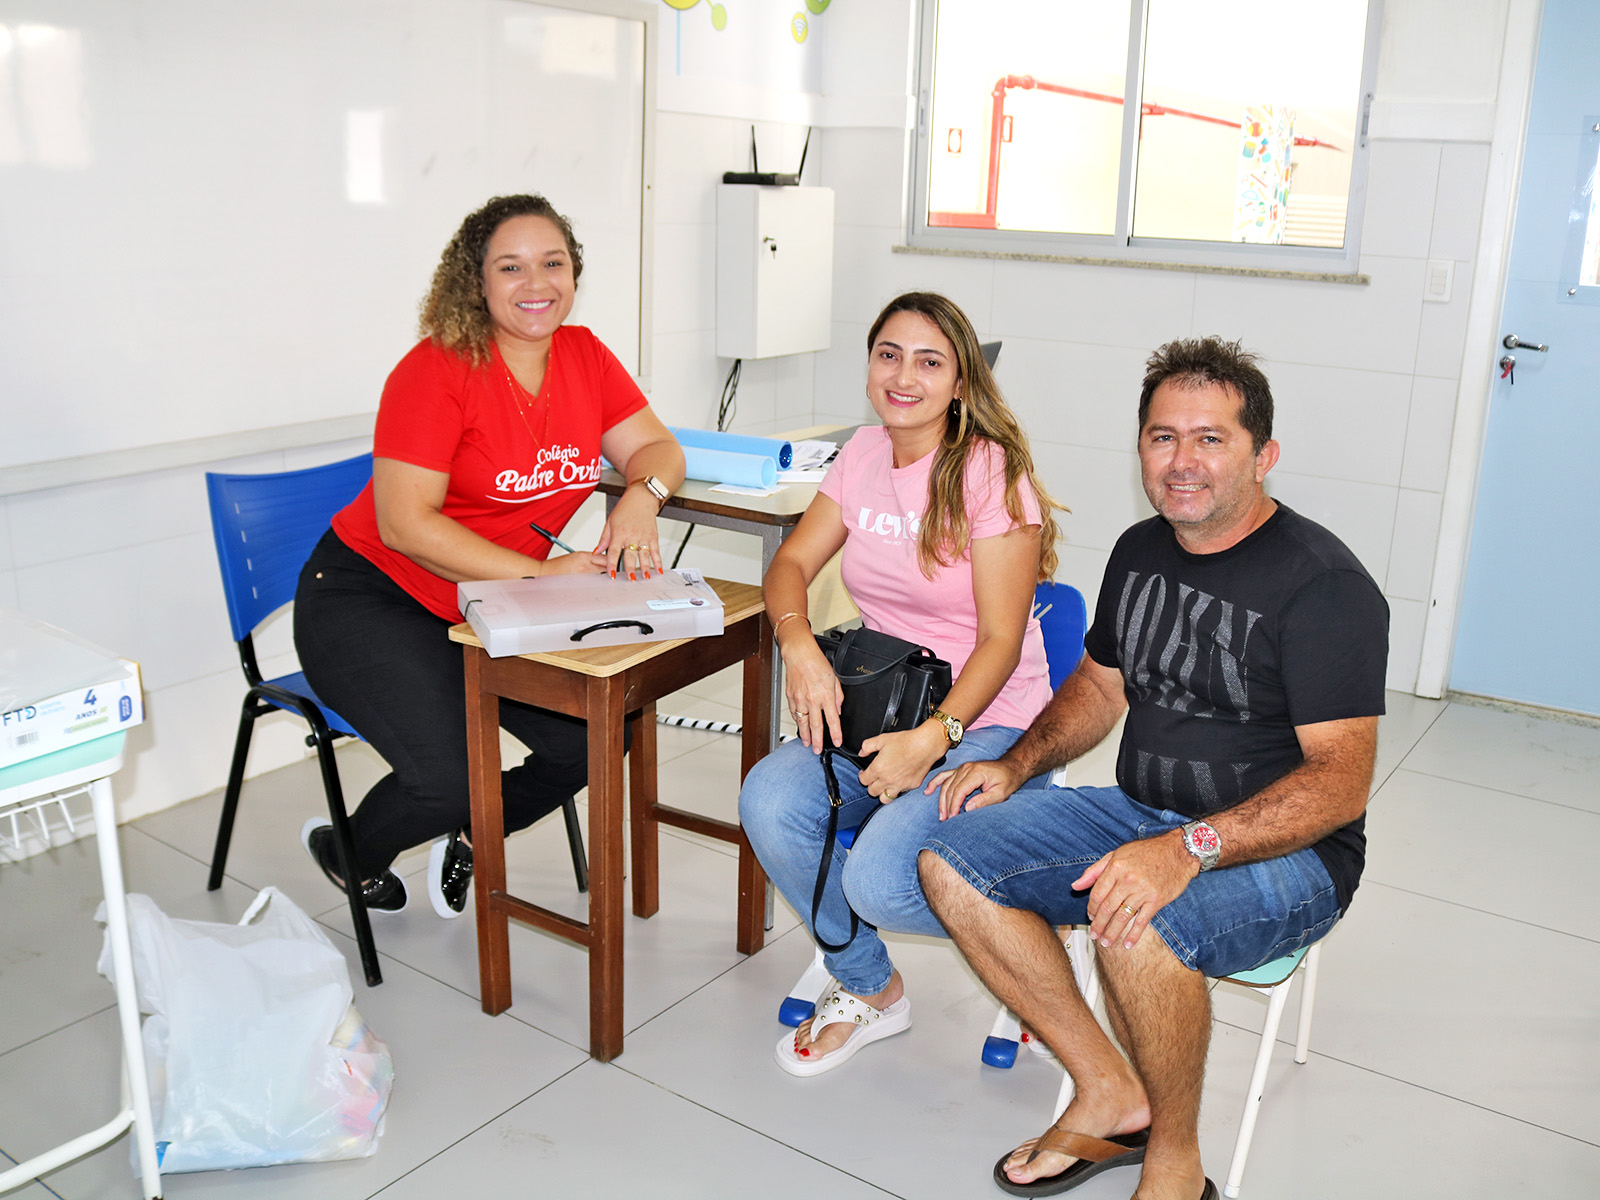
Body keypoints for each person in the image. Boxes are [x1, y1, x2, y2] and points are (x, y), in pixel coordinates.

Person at [916, 337, 1388, 1200]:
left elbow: (1339, 781)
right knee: (951, 862)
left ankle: (1176, 1163)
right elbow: (1101, 685)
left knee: (1137, 923)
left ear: (1263, 455)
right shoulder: (1141, 549)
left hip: (1291, 851)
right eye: (1163, 437)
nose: (1182, 462)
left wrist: (1187, 850)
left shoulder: (1324, 587)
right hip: (1140, 812)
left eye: (1211, 439)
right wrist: (1016, 764)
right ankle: (1109, 1088)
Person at [293, 193, 684, 919]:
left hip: (491, 603)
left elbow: (658, 447)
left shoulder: (585, 355)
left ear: (573, 273)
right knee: (447, 780)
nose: (536, 283)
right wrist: (542, 572)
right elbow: (404, 525)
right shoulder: (436, 370)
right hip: (374, 596)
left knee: (596, 738)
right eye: (511, 267)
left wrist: (643, 496)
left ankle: (479, 833)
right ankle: (349, 852)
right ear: (475, 280)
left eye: (553, 263)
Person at [739, 291, 1063, 1077]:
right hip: (881, 701)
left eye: (929, 361)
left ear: (961, 381)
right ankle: (867, 983)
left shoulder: (991, 474)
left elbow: (1001, 640)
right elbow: (790, 563)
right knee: (770, 802)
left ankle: (1035, 925)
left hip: (987, 720)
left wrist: (934, 738)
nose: (904, 377)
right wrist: (799, 645)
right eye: (889, 355)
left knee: (881, 879)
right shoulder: (861, 453)